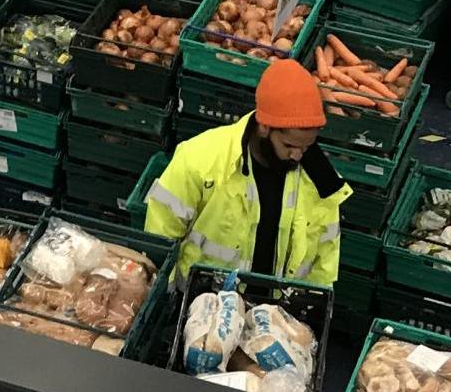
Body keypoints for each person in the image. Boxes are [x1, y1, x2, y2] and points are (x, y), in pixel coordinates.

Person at [141, 56, 346, 284]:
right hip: (202, 305)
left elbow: (325, 260)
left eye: (307, 146)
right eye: (289, 146)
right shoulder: (200, 159)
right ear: (265, 126)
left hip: (276, 312)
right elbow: (160, 239)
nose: (298, 155)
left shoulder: (322, 180)